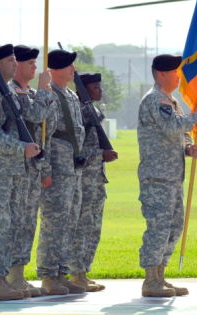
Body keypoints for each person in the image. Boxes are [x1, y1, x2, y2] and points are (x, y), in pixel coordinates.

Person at [0, 44, 42, 301]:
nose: (16, 64)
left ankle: (3, 279)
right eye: (11, 60)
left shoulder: (6, 91)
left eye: (16, 60)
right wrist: (21, 148)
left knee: (9, 225)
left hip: (10, 169)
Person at [137, 54, 197, 297]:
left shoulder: (170, 100)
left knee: (174, 226)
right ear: (162, 74)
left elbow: (178, 133)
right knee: (158, 227)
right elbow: (172, 126)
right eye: (175, 72)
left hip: (172, 176)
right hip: (157, 177)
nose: (179, 76)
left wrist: (188, 147)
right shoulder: (157, 100)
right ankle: (150, 280)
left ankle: (161, 275)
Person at [6, 45, 54, 297]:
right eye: (31, 64)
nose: (35, 68)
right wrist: (45, 90)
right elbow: (34, 115)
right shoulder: (12, 91)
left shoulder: (31, 92)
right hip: (17, 167)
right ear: (18, 65)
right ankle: (10, 276)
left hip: (32, 167)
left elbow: (44, 129)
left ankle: (19, 274)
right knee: (16, 222)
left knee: (27, 223)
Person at [37, 49, 86, 295]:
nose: (72, 70)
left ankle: (61, 272)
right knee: (54, 222)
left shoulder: (71, 96)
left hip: (72, 167)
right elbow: (43, 135)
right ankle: (48, 275)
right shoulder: (48, 95)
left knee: (69, 222)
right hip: (56, 166)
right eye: (68, 66)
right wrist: (45, 169)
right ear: (54, 69)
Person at [68, 72, 118, 292]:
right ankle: (75, 273)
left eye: (100, 87)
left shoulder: (94, 110)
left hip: (97, 177)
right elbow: (75, 147)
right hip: (84, 176)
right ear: (84, 90)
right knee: (82, 225)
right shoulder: (77, 111)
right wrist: (100, 153)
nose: (100, 91)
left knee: (93, 226)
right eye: (95, 88)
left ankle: (84, 271)